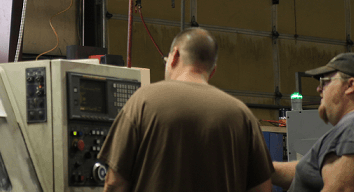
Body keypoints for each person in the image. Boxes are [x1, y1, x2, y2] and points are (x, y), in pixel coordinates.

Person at [98, 27, 274, 192]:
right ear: (213, 71)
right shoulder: (242, 114)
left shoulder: (143, 101)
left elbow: (115, 183)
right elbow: (262, 188)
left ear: (174, 55)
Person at [271, 53, 354, 192]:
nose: (319, 89)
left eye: (325, 81)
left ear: (350, 85)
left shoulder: (351, 126)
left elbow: (341, 188)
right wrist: (263, 169)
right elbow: (310, 173)